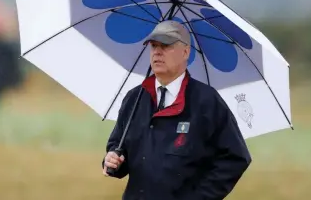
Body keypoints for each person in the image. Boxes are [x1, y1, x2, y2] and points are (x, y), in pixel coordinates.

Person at [102, 20, 252, 200]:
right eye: (154, 46)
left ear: (186, 52)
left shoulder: (207, 101)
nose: (157, 52)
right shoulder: (134, 98)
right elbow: (118, 148)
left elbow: (236, 157)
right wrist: (112, 159)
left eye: (166, 46)